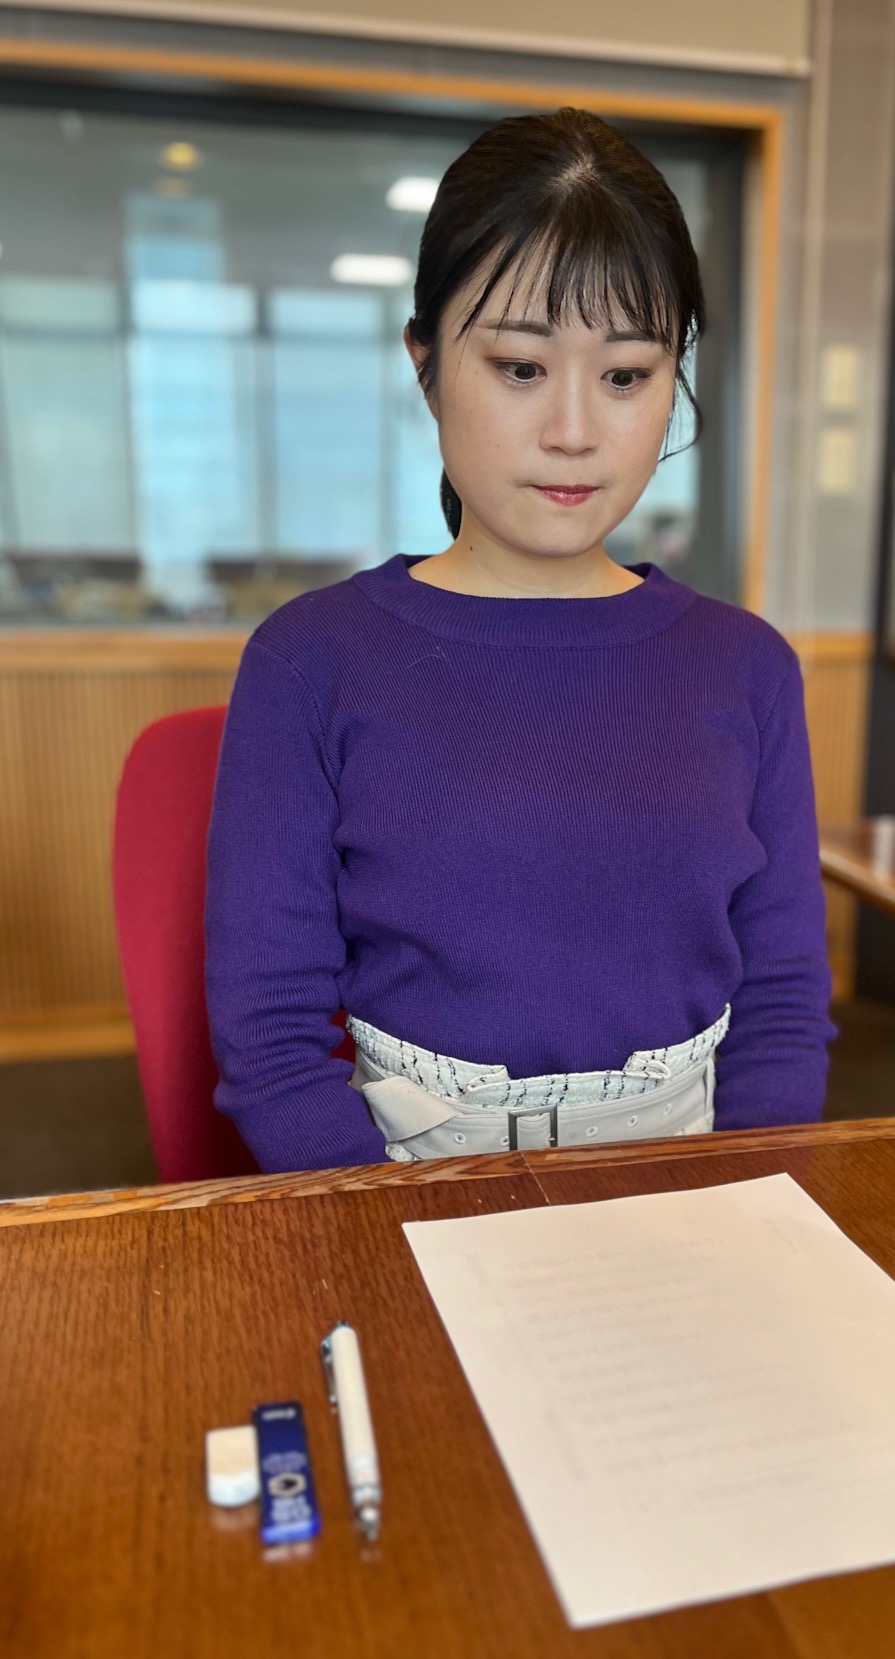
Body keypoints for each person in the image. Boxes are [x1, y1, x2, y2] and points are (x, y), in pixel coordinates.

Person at [204, 105, 836, 1174]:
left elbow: (780, 1002)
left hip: (693, 1178)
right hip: (400, 1176)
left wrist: (742, 1200)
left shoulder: (748, 667)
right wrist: (377, 1227)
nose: (574, 432)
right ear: (424, 361)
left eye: (626, 376)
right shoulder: (308, 661)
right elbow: (270, 1035)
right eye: (519, 367)